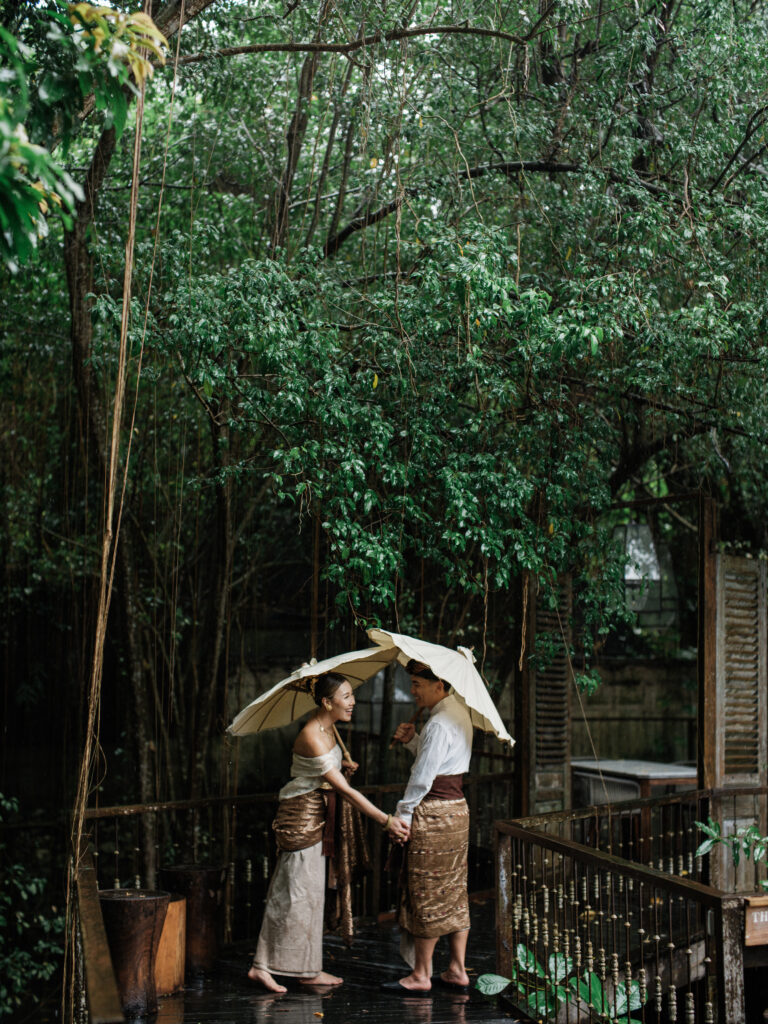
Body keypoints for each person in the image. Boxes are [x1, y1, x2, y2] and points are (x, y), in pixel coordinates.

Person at [248, 671, 409, 993]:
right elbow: (345, 792)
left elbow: (327, 775)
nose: (353, 702)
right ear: (326, 701)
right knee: (292, 894)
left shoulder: (327, 727)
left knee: (308, 896)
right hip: (302, 820)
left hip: (319, 816)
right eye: (347, 696)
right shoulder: (312, 734)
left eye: (351, 695)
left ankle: (306, 968)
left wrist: (341, 766)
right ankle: (262, 966)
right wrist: (386, 820)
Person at [382, 660, 474, 995]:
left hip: (434, 813)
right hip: (457, 812)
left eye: (418, 684)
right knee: (453, 889)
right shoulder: (459, 713)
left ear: (440, 685)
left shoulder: (438, 722)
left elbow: (423, 777)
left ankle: (421, 974)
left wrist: (402, 814)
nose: (413, 690)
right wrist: (412, 741)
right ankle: (457, 969)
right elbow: (442, 760)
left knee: (427, 890)